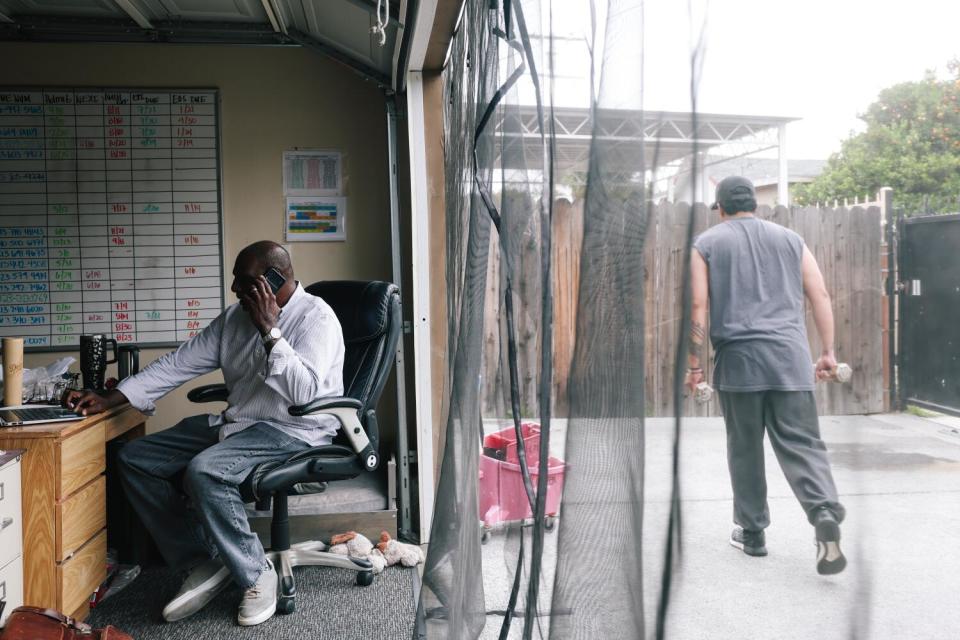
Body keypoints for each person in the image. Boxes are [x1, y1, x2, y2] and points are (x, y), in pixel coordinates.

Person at [63, 240, 345, 624]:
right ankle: (205, 559)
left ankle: (255, 572)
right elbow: (177, 364)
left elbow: (304, 395)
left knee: (205, 470)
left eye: (244, 282)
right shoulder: (233, 319)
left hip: (294, 429)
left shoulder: (317, 318)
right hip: (240, 424)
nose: (234, 290)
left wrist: (271, 331)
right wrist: (114, 397)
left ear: (273, 281)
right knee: (136, 458)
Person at [685, 176, 846, 575]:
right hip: (790, 359)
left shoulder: (706, 243)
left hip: (739, 363)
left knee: (745, 447)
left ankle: (753, 534)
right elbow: (820, 294)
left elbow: (698, 306)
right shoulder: (792, 240)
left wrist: (694, 366)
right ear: (754, 204)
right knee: (803, 444)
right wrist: (826, 352)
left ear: (720, 208)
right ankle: (823, 510)